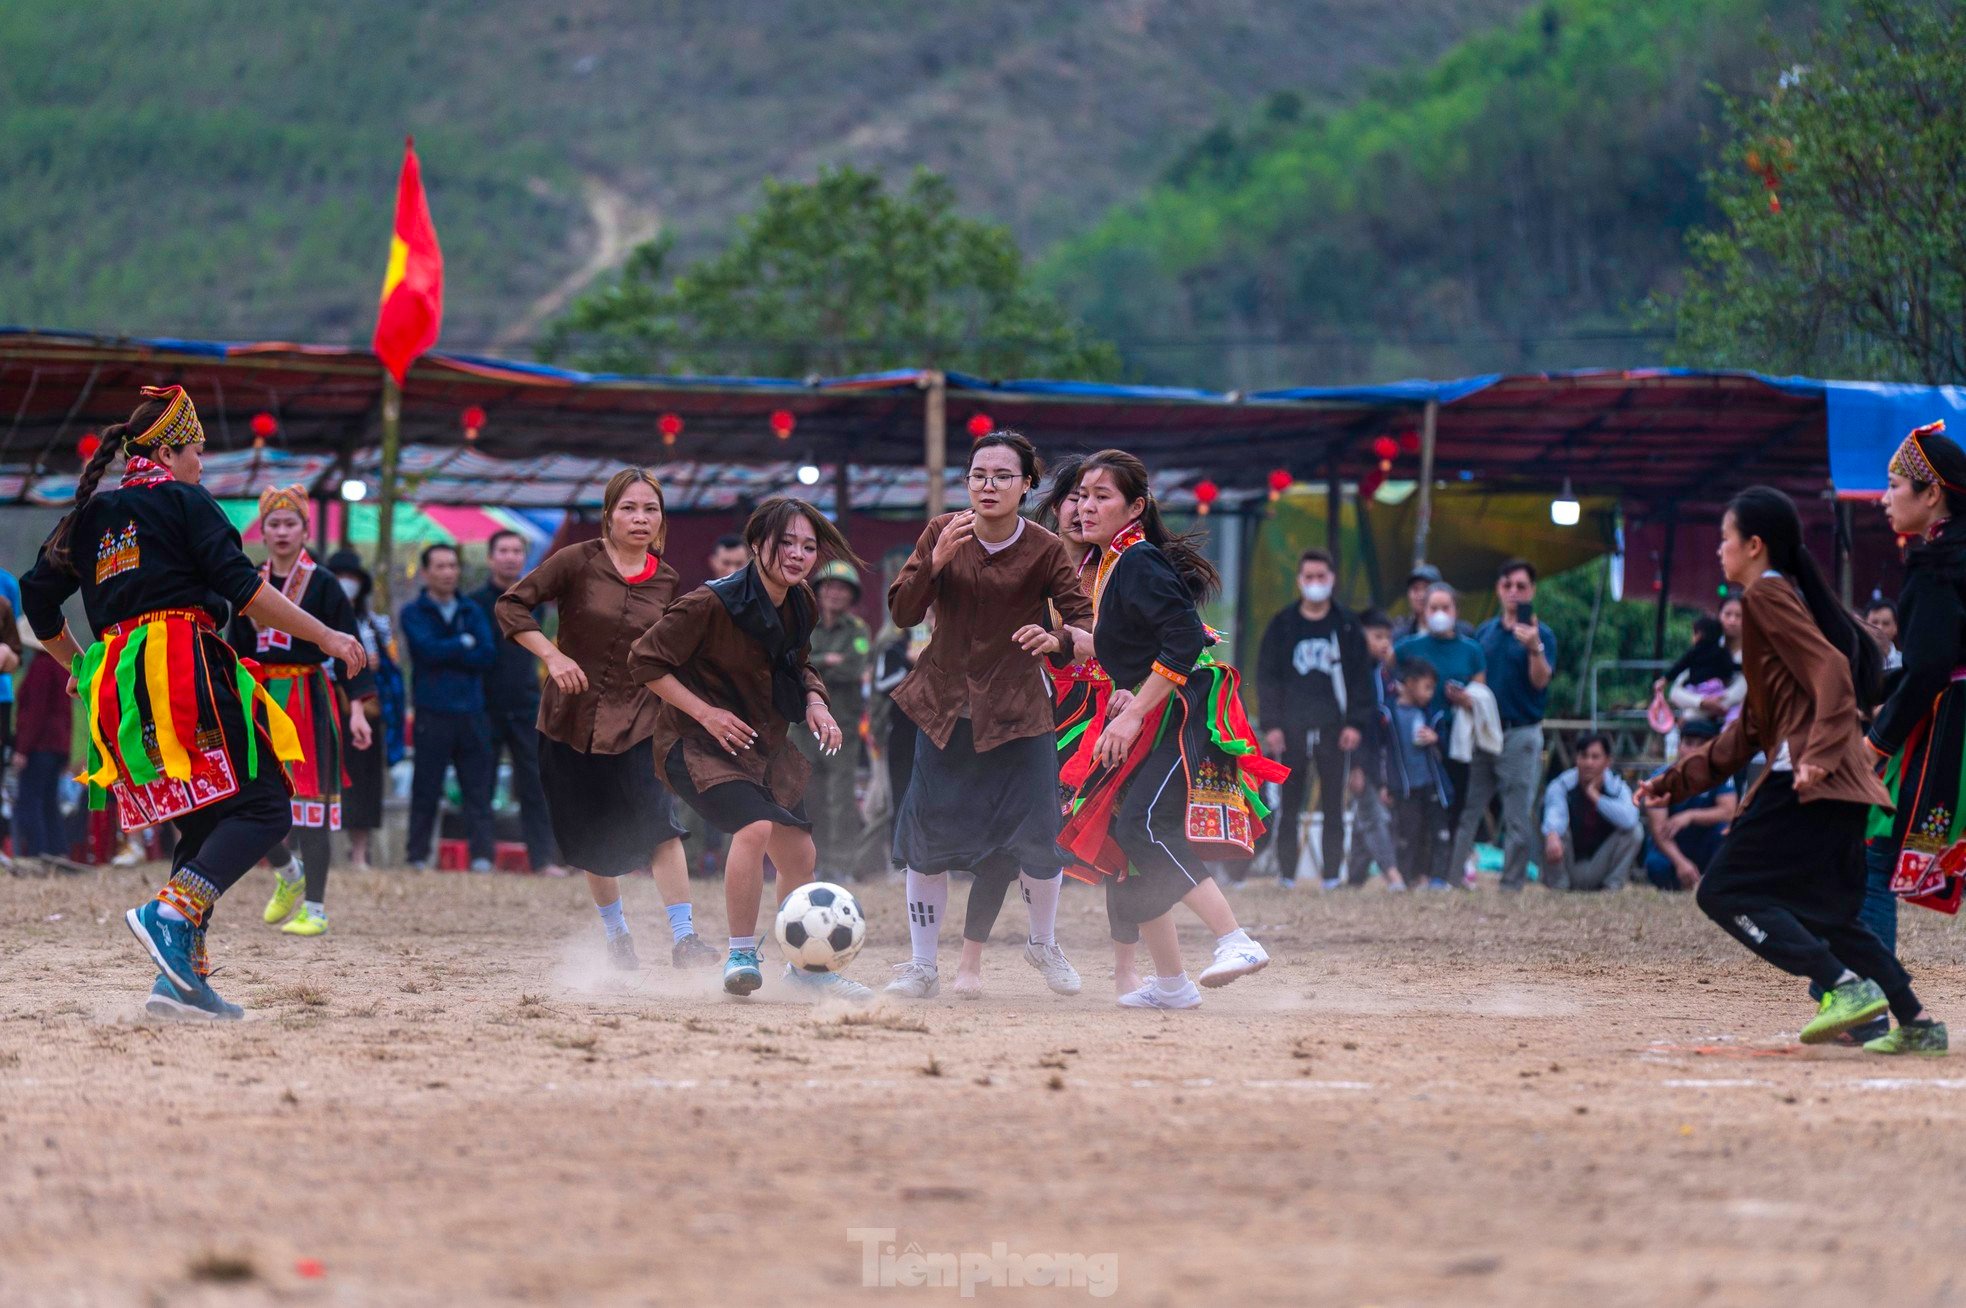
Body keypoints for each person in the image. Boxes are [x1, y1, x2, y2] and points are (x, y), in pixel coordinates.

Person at [20, 386, 365, 1019]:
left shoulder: (89, 518)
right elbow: (244, 589)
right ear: (171, 451)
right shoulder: (186, 501)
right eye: (198, 451)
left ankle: (178, 983)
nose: (202, 464)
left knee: (204, 820)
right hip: (186, 669)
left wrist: (82, 665)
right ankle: (171, 913)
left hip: (125, 688)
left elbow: (35, 599)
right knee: (265, 805)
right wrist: (327, 634)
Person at [1637, 486, 1945, 1054]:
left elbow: (1829, 668)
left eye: (1725, 539)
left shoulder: (1766, 596)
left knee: (1724, 892)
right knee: (1833, 913)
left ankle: (1843, 987)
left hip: (1807, 780)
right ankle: (1917, 1022)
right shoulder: (1782, 599)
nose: (1718, 552)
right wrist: (1676, 781)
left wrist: (1820, 756)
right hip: (1836, 782)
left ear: (1754, 546)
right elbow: (1754, 724)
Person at [1058, 449, 1282, 1009]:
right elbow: (1144, 646)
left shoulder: (1137, 561)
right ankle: (1173, 983)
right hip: (1154, 707)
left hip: (1185, 712)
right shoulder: (1112, 562)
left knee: (1146, 826)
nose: (1086, 506)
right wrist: (1127, 691)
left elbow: (1186, 639)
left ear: (1135, 507)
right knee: (1127, 837)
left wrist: (1133, 710)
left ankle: (1237, 940)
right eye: (1082, 495)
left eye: (1101, 496)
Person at [629, 497, 870, 1001]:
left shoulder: (802, 601)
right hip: (696, 743)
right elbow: (644, 661)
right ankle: (741, 954)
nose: (799, 555)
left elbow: (799, 663)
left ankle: (807, 971)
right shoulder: (709, 603)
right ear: (758, 544)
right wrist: (707, 714)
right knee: (755, 826)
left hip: (763, 745)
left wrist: (815, 702)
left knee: (801, 857)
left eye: (809, 546)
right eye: (787, 543)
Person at [883, 432, 1095, 1001]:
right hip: (943, 709)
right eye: (979, 475)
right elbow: (903, 613)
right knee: (925, 842)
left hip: (1020, 716)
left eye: (1004, 475)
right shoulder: (941, 532)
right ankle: (921, 965)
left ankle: (1043, 944)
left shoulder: (1047, 548)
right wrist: (935, 563)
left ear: (1028, 484)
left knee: (1039, 840)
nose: (989, 485)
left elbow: (1085, 629)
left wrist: (1052, 638)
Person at [498, 469, 718, 971]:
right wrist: (551, 657)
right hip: (566, 722)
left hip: (639, 722)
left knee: (661, 825)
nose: (640, 518)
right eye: (629, 508)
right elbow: (512, 606)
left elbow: (670, 653)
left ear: (661, 520)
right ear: (609, 514)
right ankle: (617, 935)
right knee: (591, 840)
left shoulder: (667, 580)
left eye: (651, 510)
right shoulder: (576, 561)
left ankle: (685, 939)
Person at [1859, 420, 1966, 1053]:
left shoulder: (1935, 566)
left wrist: (1876, 743)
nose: (1885, 496)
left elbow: (1927, 668)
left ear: (1932, 496)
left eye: (1895, 484)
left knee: (1875, 850)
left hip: (1948, 739)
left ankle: (1878, 1007)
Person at [229, 486, 374, 937]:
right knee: (246, 797)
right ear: (263, 531)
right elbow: (235, 645)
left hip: (309, 697)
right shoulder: (250, 579)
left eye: (291, 523)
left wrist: (358, 711)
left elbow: (350, 645)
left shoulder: (326, 583)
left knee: (311, 806)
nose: (282, 531)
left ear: (306, 530)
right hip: (260, 696)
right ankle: (288, 873)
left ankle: (315, 907)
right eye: (273, 524)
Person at [1256, 548, 1371, 889]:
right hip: (1290, 728)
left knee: (1334, 803)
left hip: (1335, 728)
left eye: (1322, 577)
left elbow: (1360, 678)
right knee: (1289, 804)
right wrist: (1272, 725)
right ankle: (1286, 875)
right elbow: (1267, 677)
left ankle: (1332, 876)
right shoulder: (1283, 624)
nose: (1316, 584)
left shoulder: (1347, 625)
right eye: (1309, 578)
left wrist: (1355, 723)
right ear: (1299, 581)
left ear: (1332, 580)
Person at [1448, 558, 1555, 892]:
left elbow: (1541, 682)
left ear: (1532, 591)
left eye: (1521, 586)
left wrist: (1534, 649)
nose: (1514, 592)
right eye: (1507, 585)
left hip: (1521, 733)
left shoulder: (1543, 635)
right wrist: (1465, 698)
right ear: (1498, 589)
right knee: (1469, 808)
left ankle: (1511, 884)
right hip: (1484, 733)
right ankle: (1453, 880)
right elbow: (1478, 683)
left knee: (1517, 815)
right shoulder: (1485, 632)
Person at [399, 543, 496, 871]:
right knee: (425, 787)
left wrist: (449, 650)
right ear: (426, 572)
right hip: (432, 711)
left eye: (452, 566)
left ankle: (482, 857)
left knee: (478, 789)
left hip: (471, 710)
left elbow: (486, 654)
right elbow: (425, 652)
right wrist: (461, 643)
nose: (447, 572)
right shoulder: (413, 612)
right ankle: (417, 857)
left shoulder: (472, 610)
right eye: (439, 566)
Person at [473, 529, 562, 878]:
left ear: (524, 558)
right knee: (481, 784)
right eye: (503, 551)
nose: (510, 557)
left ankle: (542, 859)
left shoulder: (533, 601)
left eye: (516, 551)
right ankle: (481, 857)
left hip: (527, 703)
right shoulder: (476, 602)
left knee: (535, 784)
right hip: (484, 705)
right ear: (490, 558)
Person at [1394, 583, 1485, 881]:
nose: (1440, 614)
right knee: (1416, 812)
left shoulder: (1472, 650)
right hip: (1417, 746)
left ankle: (1451, 871)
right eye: (1434, 608)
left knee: (1453, 807)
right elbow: (1390, 673)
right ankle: (1417, 872)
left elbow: (1481, 696)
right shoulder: (1408, 646)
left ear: (1456, 612)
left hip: (1457, 741)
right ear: (1424, 610)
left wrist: (1465, 699)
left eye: (1446, 608)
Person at [326, 549, 399, 871]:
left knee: (365, 780)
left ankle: (358, 853)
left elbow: (390, 664)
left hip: (366, 708)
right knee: (323, 779)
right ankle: (321, 850)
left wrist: (375, 663)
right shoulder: (313, 617)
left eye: (352, 577)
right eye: (341, 577)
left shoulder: (374, 622)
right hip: (324, 702)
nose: (347, 584)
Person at [804, 559, 870, 882]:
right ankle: (810, 863)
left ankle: (840, 865)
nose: (834, 593)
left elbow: (855, 668)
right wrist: (825, 660)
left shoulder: (857, 630)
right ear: (818, 590)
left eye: (843, 588)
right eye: (829, 586)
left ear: (851, 595)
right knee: (808, 795)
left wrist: (815, 667)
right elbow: (792, 665)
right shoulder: (802, 625)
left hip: (841, 727)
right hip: (803, 728)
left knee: (841, 799)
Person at [1342, 610, 1404, 890]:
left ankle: (1355, 878)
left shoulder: (1383, 672)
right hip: (1354, 752)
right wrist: (1355, 765)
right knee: (1372, 814)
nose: (1384, 644)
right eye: (1377, 636)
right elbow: (1355, 723)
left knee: (1364, 815)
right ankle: (1393, 875)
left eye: (1388, 638)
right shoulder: (1352, 672)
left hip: (1376, 754)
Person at [1641, 717, 1736, 890]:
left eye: (1701, 744)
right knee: (1656, 865)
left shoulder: (1721, 775)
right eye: (1688, 743)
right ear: (1679, 746)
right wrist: (1681, 863)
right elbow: (1658, 829)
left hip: (1706, 843)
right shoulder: (1661, 778)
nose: (1693, 750)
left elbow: (1729, 812)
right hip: (1673, 846)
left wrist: (1689, 816)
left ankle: (1714, 883)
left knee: (1725, 831)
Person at [1539, 733, 1641, 892]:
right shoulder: (1562, 785)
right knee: (1553, 831)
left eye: (1595, 757)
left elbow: (1630, 819)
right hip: (1568, 863)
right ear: (1576, 759)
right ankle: (1559, 887)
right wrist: (1552, 835)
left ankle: (1611, 887)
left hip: (1600, 864)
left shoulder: (1617, 787)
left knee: (1635, 832)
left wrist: (1596, 797)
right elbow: (1555, 814)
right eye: (1584, 756)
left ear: (1607, 761)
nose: (1589, 763)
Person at [1385, 659, 1451, 890]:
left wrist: (1436, 739)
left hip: (1431, 784)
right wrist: (1386, 785)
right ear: (1410, 684)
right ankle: (1407, 878)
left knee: (1438, 833)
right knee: (1408, 835)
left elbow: (1447, 748)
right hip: (1405, 787)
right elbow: (1384, 753)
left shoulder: (1431, 714)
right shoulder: (1387, 713)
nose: (1431, 694)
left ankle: (1437, 879)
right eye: (1427, 687)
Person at [13, 636, 76, 871]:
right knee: (49, 801)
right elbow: (68, 713)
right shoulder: (61, 669)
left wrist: (22, 749)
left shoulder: (40, 667)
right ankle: (57, 851)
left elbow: (35, 713)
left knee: (31, 799)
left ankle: (39, 854)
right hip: (57, 746)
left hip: (40, 746)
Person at [1659, 611, 1747, 725]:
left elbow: (1679, 667)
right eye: (1728, 615)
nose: (1732, 620)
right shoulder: (1722, 652)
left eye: (1738, 616)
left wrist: (1665, 679)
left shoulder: (1694, 652)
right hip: (1716, 691)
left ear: (1699, 634)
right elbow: (1675, 693)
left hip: (1697, 695)